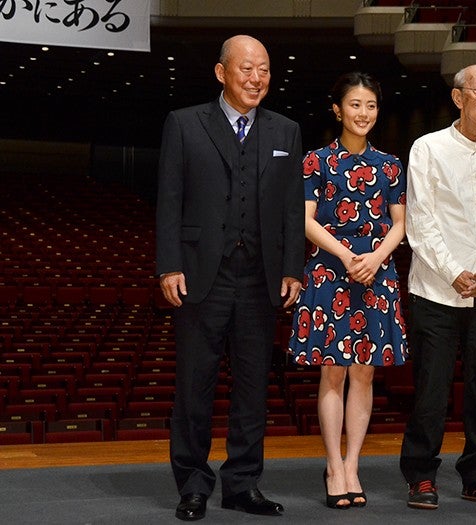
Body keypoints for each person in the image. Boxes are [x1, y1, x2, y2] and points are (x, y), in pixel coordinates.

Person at [156, 35, 304, 521]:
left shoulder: (286, 131)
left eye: (264, 69)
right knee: (194, 387)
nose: (256, 78)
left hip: (261, 279)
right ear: (222, 73)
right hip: (201, 276)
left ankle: (243, 484)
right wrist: (169, 264)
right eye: (246, 69)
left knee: (252, 389)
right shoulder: (184, 123)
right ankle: (193, 484)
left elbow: (289, 209)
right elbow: (169, 201)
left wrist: (291, 270)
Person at [399, 64, 476, 510]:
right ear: (458, 98)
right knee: (431, 390)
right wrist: (454, 272)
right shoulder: (427, 149)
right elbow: (421, 220)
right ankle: (420, 475)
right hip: (436, 290)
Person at [288, 72, 408, 510]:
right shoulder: (316, 161)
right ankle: (333, 464)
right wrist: (345, 255)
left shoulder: (391, 164)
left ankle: (353, 463)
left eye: (371, 105)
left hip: (376, 274)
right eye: (355, 105)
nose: (363, 113)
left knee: (365, 372)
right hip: (330, 270)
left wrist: (375, 258)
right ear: (338, 109)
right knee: (332, 370)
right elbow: (305, 219)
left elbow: (400, 224)